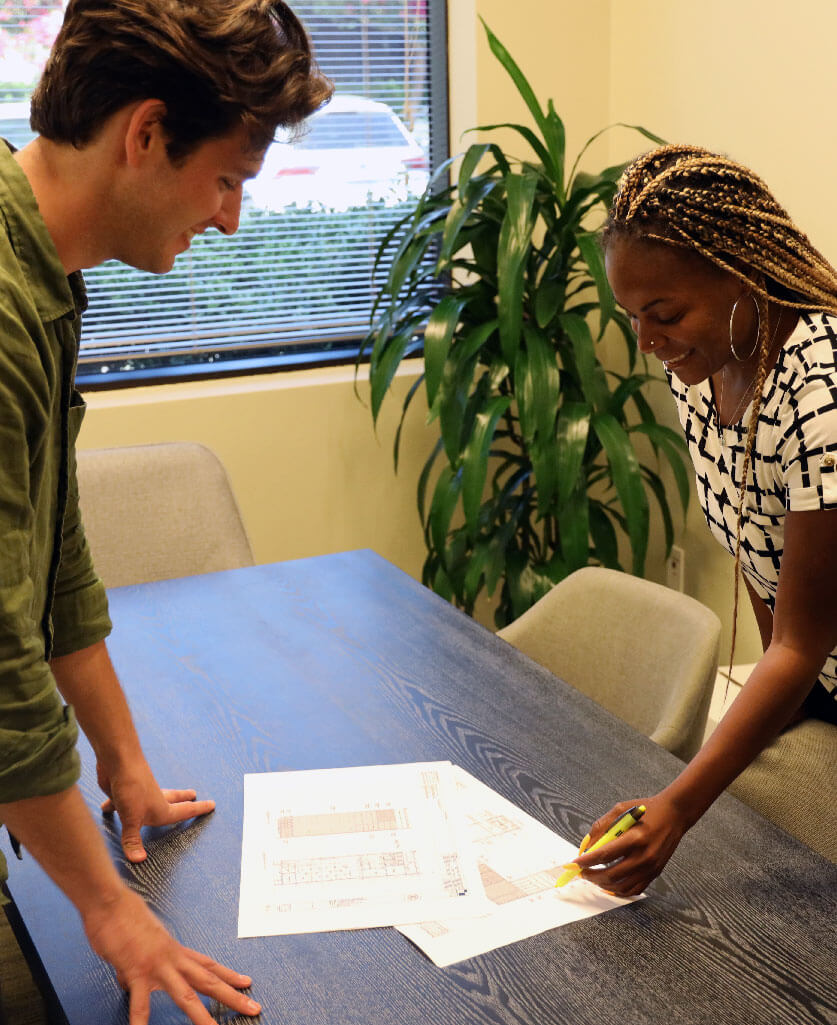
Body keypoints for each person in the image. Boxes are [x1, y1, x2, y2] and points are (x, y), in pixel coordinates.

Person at [0, 2, 331, 1022]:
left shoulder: (44, 274)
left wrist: (127, 767)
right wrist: (112, 913)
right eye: (226, 179)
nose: (231, 217)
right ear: (146, 135)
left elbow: (52, 557)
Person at [570, 144, 837, 896]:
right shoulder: (708, 361)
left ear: (742, 277)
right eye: (631, 317)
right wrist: (765, 730)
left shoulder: (821, 393)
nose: (648, 342)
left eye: (663, 314)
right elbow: (758, 554)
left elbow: (801, 635)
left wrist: (678, 806)